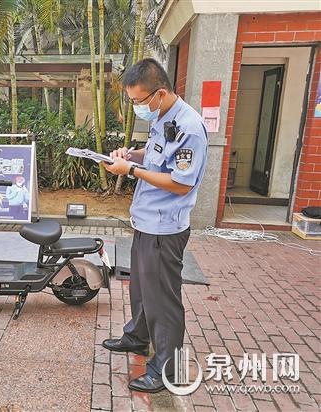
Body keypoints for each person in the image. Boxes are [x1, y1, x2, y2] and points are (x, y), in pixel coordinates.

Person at [102, 58, 208, 393]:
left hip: (166, 228)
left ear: (159, 94)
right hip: (147, 221)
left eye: (138, 101)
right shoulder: (164, 116)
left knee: (163, 299)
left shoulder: (190, 127)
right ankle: (137, 336)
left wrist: (129, 172)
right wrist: (132, 155)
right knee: (142, 289)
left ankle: (168, 370)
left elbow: (181, 182)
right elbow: (156, 152)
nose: (136, 108)